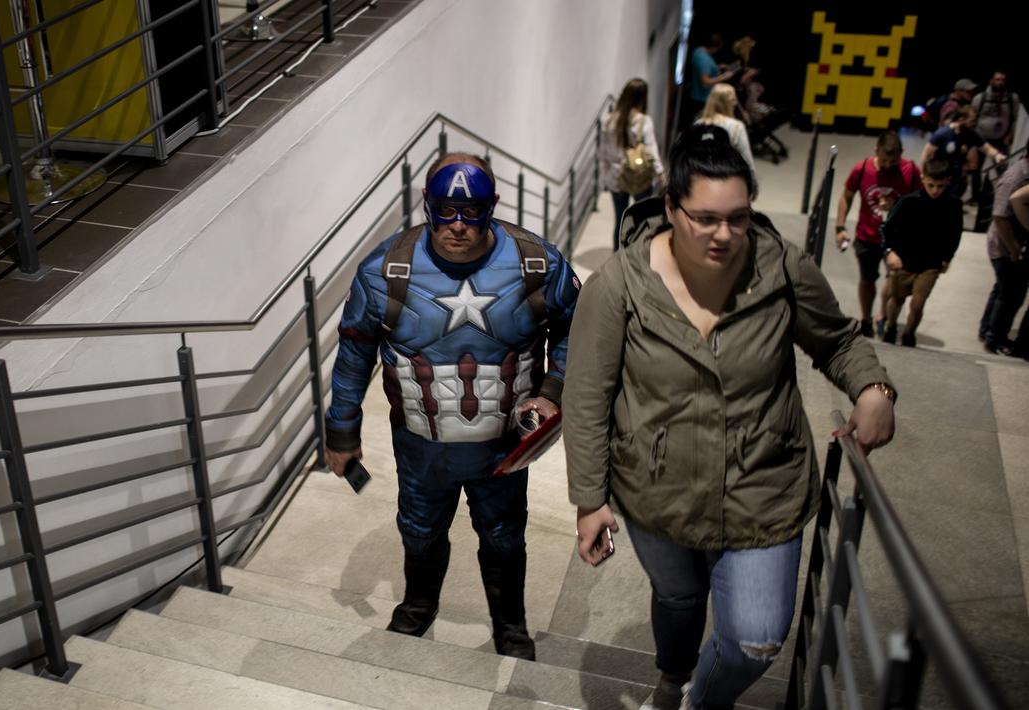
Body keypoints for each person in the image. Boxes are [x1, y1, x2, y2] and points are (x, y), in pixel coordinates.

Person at [562, 125, 896, 710]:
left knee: (756, 637)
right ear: (670, 208)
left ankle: (699, 702)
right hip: (656, 488)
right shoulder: (619, 284)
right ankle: (670, 679)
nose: (725, 234)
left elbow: (838, 341)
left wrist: (871, 387)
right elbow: (588, 395)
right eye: (706, 218)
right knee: (678, 599)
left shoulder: (782, 268)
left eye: (739, 217)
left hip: (764, 485)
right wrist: (590, 500)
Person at [323, 152, 579, 660]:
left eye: (472, 211)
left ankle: (511, 626)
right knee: (418, 531)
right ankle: (418, 608)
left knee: (505, 538)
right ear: (427, 205)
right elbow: (354, 354)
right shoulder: (384, 272)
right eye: (445, 211)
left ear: (493, 206)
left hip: (503, 447)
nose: (457, 225)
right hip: (422, 446)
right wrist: (342, 435)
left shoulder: (538, 264)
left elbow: (577, 331)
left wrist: (553, 393)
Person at [835, 131, 922, 336]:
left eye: (893, 161)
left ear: (902, 154)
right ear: (876, 150)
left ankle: (882, 314)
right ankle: (866, 319)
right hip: (867, 236)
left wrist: (897, 206)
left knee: (894, 280)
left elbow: (920, 203)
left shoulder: (910, 171)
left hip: (898, 240)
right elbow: (845, 197)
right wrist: (840, 228)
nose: (888, 166)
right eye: (883, 160)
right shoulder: (862, 169)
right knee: (867, 279)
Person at [879, 159, 963, 347]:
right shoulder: (908, 202)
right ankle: (891, 326)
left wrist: (948, 257)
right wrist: (889, 252)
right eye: (931, 185)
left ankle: (909, 333)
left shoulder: (953, 205)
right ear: (923, 178)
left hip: (931, 263)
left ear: (948, 181)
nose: (935, 191)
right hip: (904, 260)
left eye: (940, 186)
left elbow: (955, 234)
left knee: (917, 303)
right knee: (897, 299)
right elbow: (886, 229)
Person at [601, 78, 665, 250]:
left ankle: (617, 259)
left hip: (616, 177)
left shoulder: (608, 121)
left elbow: (604, 153)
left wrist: (606, 176)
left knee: (620, 221)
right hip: (640, 176)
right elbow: (651, 151)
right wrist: (661, 174)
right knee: (640, 220)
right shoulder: (644, 121)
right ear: (642, 98)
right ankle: (636, 257)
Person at [978, 151, 1029, 356]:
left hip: (1010, 243)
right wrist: (1013, 249)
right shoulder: (1016, 177)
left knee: (1002, 290)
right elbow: (999, 216)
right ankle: (995, 339)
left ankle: (987, 330)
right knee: (1010, 294)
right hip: (1004, 245)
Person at [922, 105, 1007, 200]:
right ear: (961, 119)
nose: (974, 124)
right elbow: (926, 154)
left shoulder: (971, 134)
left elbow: (986, 148)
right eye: (972, 121)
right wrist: (923, 173)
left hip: (957, 178)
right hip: (940, 178)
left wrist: (997, 155)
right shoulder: (942, 134)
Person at [970, 70, 1021, 197]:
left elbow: (1016, 118)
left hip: (1001, 139)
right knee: (976, 168)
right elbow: (971, 118)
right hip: (981, 138)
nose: (1000, 82)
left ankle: (1000, 195)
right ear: (991, 81)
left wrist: (1010, 135)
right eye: (997, 79)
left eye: (1003, 80)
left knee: (1002, 167)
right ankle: (975, 195)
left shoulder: (1011, 98)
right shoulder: (980, 97)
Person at [695, 83, 755, 170]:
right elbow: (746, 158)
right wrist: (753, 180)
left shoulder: (698, 124)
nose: (735, 103)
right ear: (728, 103)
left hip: (704, 173)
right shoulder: (737, 126)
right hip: (728, 174)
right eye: (734, 100)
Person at [683, 34, 736, 130]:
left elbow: (702, 69)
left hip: (695, 93)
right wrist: (724, 77)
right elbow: (705, 81)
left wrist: (718, 67)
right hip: (702, 97)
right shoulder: (705, 61)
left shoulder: (698, 51)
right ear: (718, 46)